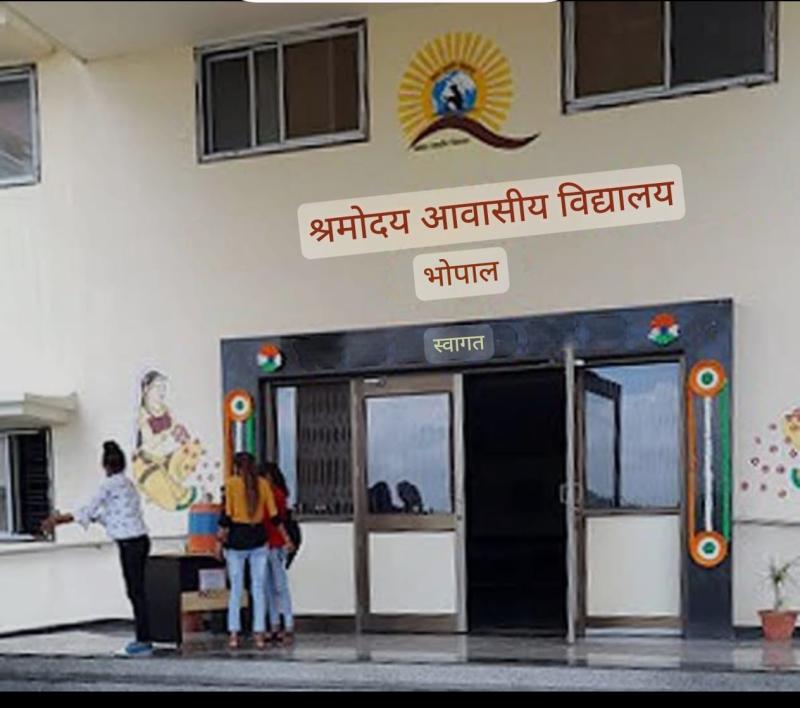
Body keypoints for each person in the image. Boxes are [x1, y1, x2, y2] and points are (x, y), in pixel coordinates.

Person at [41, 441, 153, 657]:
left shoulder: (108, 486)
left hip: (129, 543)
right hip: (141, 540)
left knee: (135, 592)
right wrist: (73, 518)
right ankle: (145, 637)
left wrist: (59, 520)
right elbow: (107, 515)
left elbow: (88, 509)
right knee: (139, 591)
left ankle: (143, 640)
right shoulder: (128, 485)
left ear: (105, 465)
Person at [218, 452, 278, 649]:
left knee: (236, 588)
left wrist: (219, 540)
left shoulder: (231, 484)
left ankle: (234, 634)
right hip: (258, 538)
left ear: (236, 467)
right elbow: (274, 515)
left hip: (237, 539)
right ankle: (259, 633)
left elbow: (227, 516)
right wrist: (285, 538)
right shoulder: (263, 484)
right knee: (258, 588)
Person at [260, 462, 295, 644]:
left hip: (273, 542)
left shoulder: (274, 495)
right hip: (270, 543)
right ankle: (280, 624)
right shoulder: (277, 494)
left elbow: (275, 519)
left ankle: (282, 624)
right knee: (272, 586)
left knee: (276, 586)